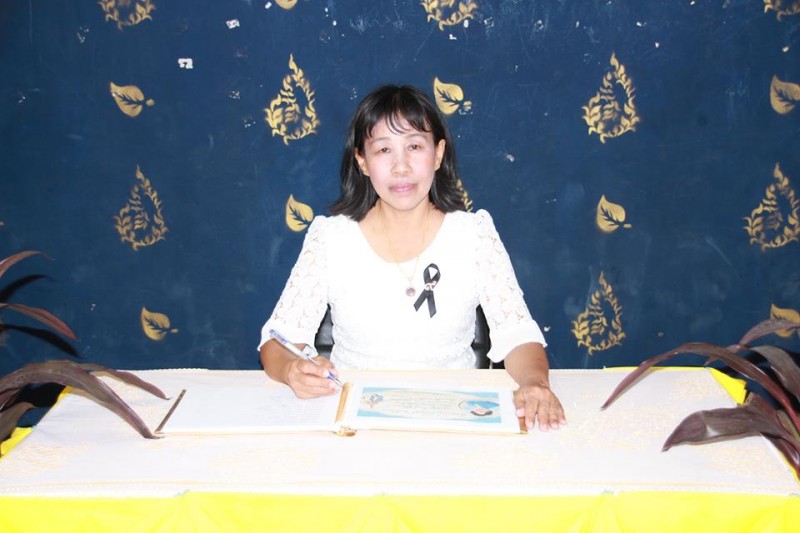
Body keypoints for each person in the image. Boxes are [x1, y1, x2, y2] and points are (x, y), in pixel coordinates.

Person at [258, 84, 565, 431]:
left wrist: (535, 383)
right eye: (383, 149)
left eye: (415, 146)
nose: (401, 167)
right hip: (356, 425)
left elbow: (517, 334)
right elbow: (278, 342)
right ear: (362, 161)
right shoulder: (331, 238)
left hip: (455, 421)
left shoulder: (473, 235)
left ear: (438, 154)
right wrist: (291, 370)